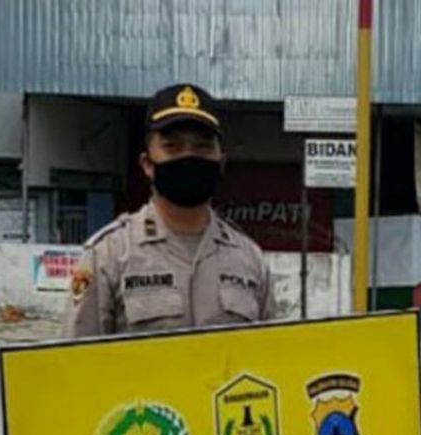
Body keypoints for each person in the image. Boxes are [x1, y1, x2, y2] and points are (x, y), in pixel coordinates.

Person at [66, 84, 273, 337]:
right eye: (172, 147)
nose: (189, 157)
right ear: (147, 165)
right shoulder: (109, 255)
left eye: (202, 147)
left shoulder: (249, 259)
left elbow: (269, 359)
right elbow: (76, 363)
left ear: (221, 162)